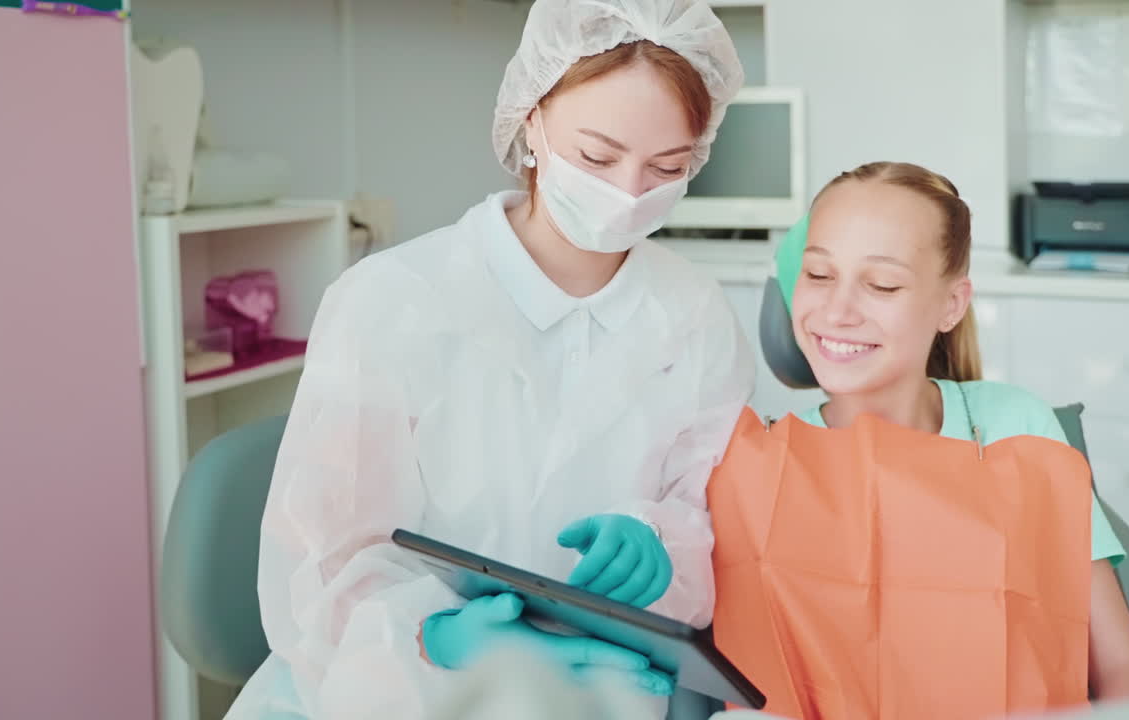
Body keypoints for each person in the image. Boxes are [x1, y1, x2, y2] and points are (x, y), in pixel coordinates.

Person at [223, 2, 753, 718]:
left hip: (609, 681)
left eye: (668, 167)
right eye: (597, 158)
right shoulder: (392, 300)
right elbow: (322, 565)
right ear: (532, 121)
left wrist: (662, 543)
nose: (629, 193)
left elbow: (710, 517)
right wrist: (433, 637)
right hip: (390, 683)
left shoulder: (695, 316)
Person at [708, 161, 1129, 718]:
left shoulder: (1019, 430)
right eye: (819, 275)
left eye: (881, 284)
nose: (837, 311)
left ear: (951, 304)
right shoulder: (758, 465)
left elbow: (1123, 666)